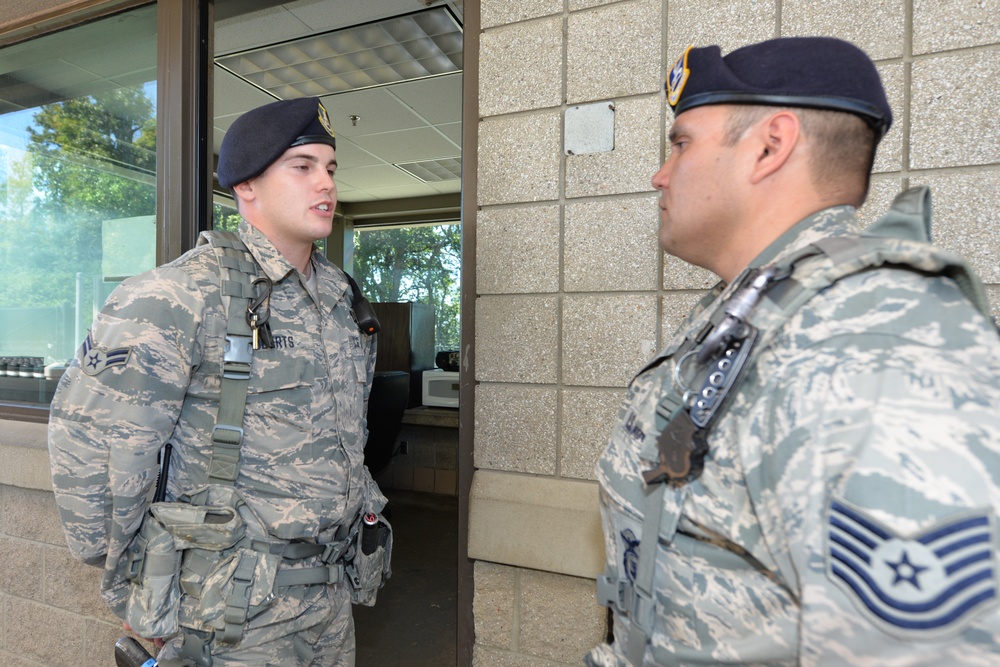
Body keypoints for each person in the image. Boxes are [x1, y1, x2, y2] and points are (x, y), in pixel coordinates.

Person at [587, 37, 1000, 666]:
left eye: (681, 143)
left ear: (769, 146)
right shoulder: (756, 309)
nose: (660, 173)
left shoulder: (868, 347)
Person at [48, 97, 389, 666]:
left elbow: (348, 439)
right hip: (230, 617)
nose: (324, 183)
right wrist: (138, 591)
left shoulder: (342, 301)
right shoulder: (177, 296)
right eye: (302, 166)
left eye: (330, 168)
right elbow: (90, 448)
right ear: (246, 186)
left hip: (331, 602)